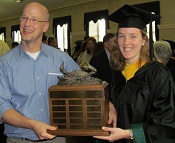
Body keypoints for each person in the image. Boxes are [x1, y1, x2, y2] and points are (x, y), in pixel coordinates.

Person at [93, 4, 175, 143]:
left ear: (143, 40)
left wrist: (129, 134)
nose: (126, 42)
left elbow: (166, 125)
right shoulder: (117, 70)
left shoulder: (158, 74)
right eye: (121, 36)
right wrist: (110, 105)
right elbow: (117, 100)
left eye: (133, 36)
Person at [0, 2, 80, 143]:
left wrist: (107, 103)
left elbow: (83, 84)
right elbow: (2, 108)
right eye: (24, 18)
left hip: (57, 138)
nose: (27, 24)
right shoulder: (5, 64)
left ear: (45, 26)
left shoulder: (61, 59)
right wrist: (33, 124)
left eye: (34, 19)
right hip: (20, 139)